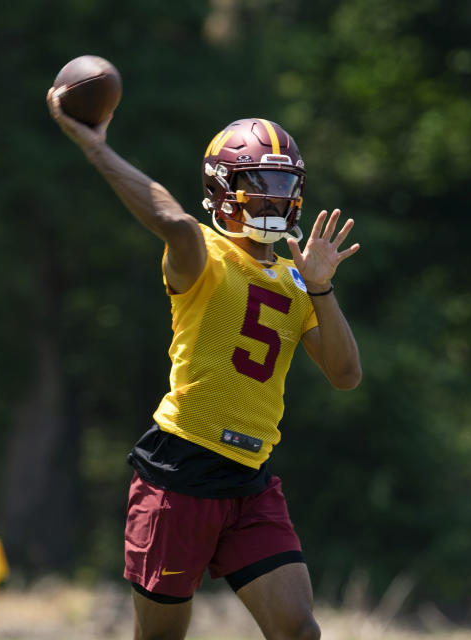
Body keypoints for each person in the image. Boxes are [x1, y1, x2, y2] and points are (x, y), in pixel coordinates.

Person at [47, 86, 362, 640]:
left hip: (250, 480)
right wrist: (97, 148)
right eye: (256, 186)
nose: (272, 200)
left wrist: (322, 289)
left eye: (283, 187)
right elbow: (174, 221)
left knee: (299, 631)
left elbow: (345, 375)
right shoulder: (203, 255)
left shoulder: (296, 282)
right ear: (222, 190)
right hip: (181, 471)